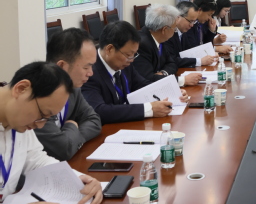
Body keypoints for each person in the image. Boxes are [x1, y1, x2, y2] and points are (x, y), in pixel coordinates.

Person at [0, 62, 102, 203]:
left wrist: (78, 179)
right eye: (42, 114)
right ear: (21, 89)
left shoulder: (17, 122)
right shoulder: (19, 120)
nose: (41, 125)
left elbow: (36, 159)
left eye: (48, 119)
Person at [81, 21, 189, 124]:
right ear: (109, 49)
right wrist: (149, 109)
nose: (132, 60)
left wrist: (173, 92)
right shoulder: (89, 73)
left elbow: (142, 84)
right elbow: (99, 110)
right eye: (128, 55)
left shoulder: (125, 64)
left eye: (134, 54)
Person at [35, 28, 102, 161]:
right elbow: (63, 149)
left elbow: (94, 121)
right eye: (86, 67)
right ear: (61, 66)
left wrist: (72, 139)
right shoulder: (38, 97)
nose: (91, 73)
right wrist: (72, 126)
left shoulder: (73, 88)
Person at [163, 1, 219, 69]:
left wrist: (210, 55)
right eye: (190, 21)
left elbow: (190, 52)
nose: (192, 25)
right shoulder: (168, 33)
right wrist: (199, 61)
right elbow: (172, 60)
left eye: (194, 21)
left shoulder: (183, 32)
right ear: (178, 17)